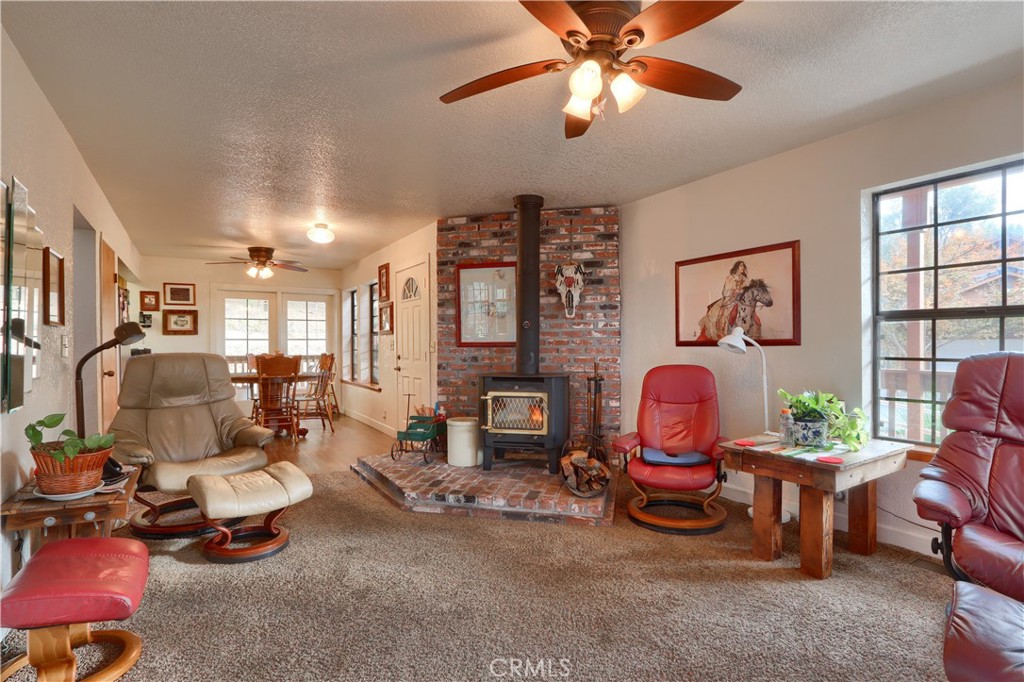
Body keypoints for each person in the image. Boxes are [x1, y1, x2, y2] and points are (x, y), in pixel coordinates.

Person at [698, 260, 748, 340]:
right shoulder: (730, 278)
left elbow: (746, 291)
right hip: (730, 298)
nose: (743, 268)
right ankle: (722, 331)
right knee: (724, 311)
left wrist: (743, 292)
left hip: (742, 299)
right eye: (741, 265)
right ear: (737, 267)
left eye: (743, 266)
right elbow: (724, 292)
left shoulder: (745, 279)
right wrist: (734, 291)